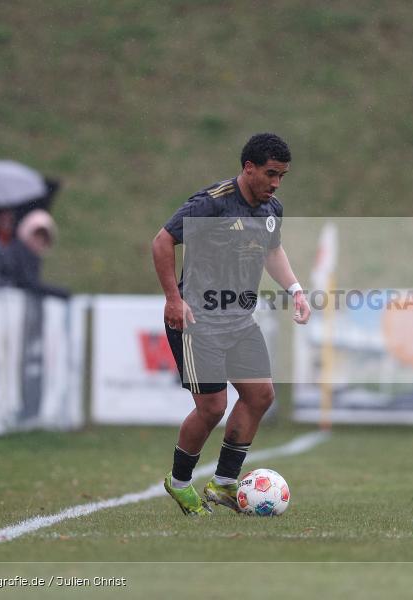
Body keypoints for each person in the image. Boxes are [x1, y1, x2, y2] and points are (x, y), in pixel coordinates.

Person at [151, 133, 311, 517]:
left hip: (238, 319)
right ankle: (180, 481)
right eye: (271, 174)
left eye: (282, 176)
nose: (275, 183)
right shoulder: (213, 203)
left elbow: (272, 252)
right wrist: (174, 299)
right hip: (197, 321)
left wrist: (296, 290)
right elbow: (161, 242)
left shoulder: (272, 209)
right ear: (248, 168)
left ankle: (223, 483)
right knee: (211, 408)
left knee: (260, 396)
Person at [5, 209, 69, 298]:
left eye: (43, 239)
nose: (39, 242)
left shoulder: (32, 257)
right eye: (37, 236)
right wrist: (58, 292)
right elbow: (28, 283)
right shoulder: (17, 253)